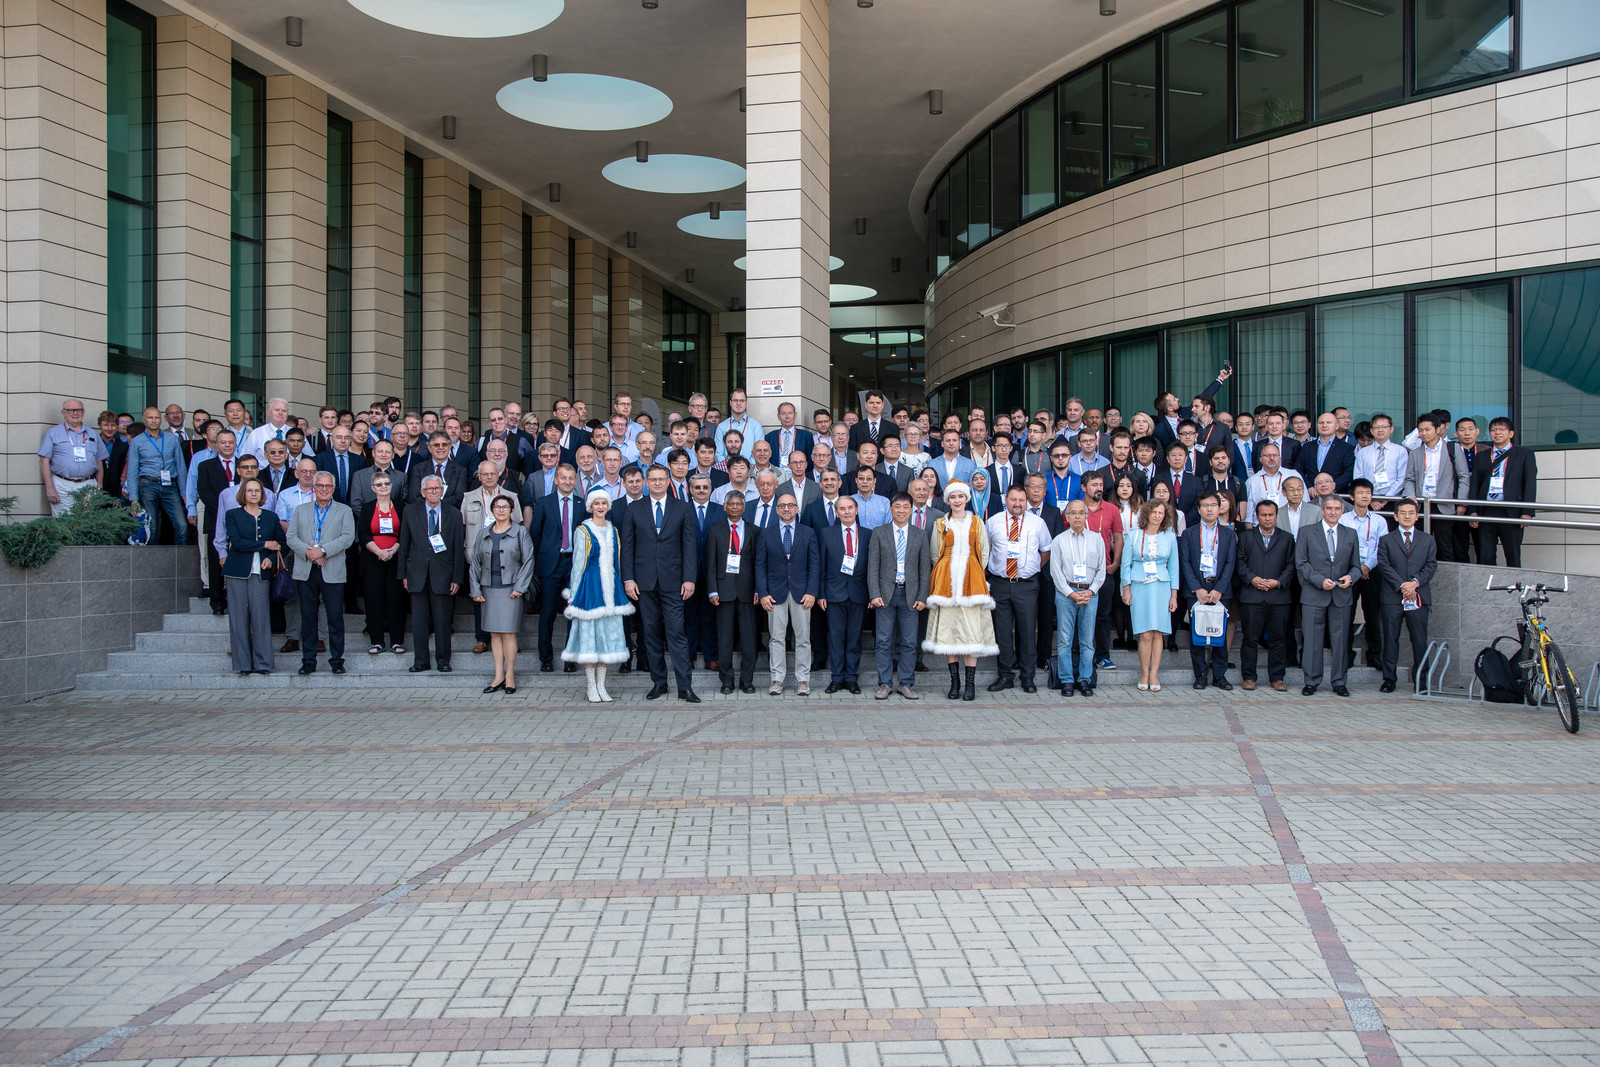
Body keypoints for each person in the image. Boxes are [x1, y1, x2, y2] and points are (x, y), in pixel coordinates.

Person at [620, 466, 701, 703]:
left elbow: (689, 545)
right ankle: (659, 683)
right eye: (653, 479)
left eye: (661, 479)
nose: (657, 483)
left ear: (668, 481)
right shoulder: (634, 508)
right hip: (643, 581)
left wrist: (689, 578)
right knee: (650, 633)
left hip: (674, 580)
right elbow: (627, 546)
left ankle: (685, 687)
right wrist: (628, 578)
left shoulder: (681, 507)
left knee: (676, 633)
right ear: (646, 482)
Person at [923, 480, 998, 701]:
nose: (957, 500)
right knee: (950, 633)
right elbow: (935, 553)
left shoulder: (976, 522)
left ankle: (970, 684)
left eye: (960, 496)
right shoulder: (940, 523)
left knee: (970, 632)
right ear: (948, 500)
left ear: (966, 499)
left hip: (971, 583)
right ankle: (954, 683)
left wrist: (974, 571)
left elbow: (983, 551)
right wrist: (945, 571)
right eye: (953, 497)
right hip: (946, 584)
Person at [983, 484, 1050, 693]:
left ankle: (1028, 677)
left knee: (1028, 631)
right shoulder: (993, 522)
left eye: (1021, 500)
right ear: (1006, 500)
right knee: (1002, 632)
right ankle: (1005, 676)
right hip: (1000, 584)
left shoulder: (1037, 523)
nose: (1017, 504)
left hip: (1027, 585)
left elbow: (1046, 550)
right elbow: (985, 551)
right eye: (1013, 500)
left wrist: (1030, 570)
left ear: (1026, 501)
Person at [286, 472, 355, 676]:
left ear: (333, 489)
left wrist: (322, 551)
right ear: (314, 487)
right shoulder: (301, 510)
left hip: (332, 570)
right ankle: (308, 661)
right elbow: (291, 536)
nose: (324, 489)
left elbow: (347, 538)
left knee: (334, 618)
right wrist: (310, 553)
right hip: (306, 570)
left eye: (328, 486)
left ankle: (337, 660)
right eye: (320, 485)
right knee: (308, 617)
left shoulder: (344, 510)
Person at [1295, 494, 1363, 697]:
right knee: (1312, 640)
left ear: (1342, 511)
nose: (1333, 512)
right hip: (1314, 593)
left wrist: (1351, 577)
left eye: (1337, 509)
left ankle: (1339, 682)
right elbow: (1301, 563)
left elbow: (1356, 566)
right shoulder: (1306, 532)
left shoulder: (1351, 533)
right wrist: (1319, 580)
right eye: (1329, 508)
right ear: (1322, 510)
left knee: (1340, 641)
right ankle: (1311, 681)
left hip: (1341, 595)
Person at [865, 492, 929, 700]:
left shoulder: (920, 534)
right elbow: (873, 566)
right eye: (897, 507)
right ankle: (885, 683)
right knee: (883, 641)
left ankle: (906, 683)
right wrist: (874, 593)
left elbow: (924, 569)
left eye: (905, 507)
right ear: (891, 509)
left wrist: (922, 596)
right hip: (885, 595)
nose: (901, 511)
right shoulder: (879, 532)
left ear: (911, 510)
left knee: (909, 642)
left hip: (910, 595)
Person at [469, 494, 535, 695]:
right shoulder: (483, 533)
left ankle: (510, 676)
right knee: (494, 633)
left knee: (508, 632)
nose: (501, 510)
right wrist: (475, 589)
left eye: (505, 507)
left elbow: (528, 560)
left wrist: (520, 587)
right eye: (497, 507)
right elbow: (475, 563)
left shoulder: (520, 532)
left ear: (512, 510)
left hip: (511, 589)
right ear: (492, 510)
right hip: (489, 588)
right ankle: (498, 676)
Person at [400, 474, 466, 673]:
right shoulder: (410, 511)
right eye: (430, 489)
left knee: (442, 621)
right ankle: (421, 661)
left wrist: (457, 577)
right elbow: (404, 544)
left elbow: (458, 548)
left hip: (443, 574)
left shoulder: (454, 514)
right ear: (423, 492)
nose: (434, 492)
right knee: (419, 622)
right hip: (416, 574)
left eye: (438, 488)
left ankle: (443, 661)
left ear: (442, 491)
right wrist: (403, 574)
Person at [756, 490, 820, 696]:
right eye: (782, 506)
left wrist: (812, 592)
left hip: (802, 594)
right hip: (775, 594)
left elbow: (814, 565)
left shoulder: (808, 533)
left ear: (797, 509)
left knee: (803, 638)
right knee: (776, 638)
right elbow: (760, 565)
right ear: (776, 509)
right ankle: (777, 679)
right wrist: (763, 593)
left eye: (790, 505)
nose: (786, 509)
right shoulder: (766, 533)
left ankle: (803, 680)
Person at [1374, 499, 1437, 694]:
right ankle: (1389, 679)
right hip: (1392, 597)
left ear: (1417, 516)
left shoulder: (1428, 539)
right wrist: (1403, 586)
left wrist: (1415, 583)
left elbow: (1431, 565)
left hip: (1418, 596)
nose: (1407, 516)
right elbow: (1384, 565)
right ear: (1395, 516)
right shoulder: (1386, 540)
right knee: (1390, 639)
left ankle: (1421, 682)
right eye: (1403, 513)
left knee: (1419, 640)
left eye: (1411, 513)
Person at [221, 477, 280, 675]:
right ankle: (243, 664)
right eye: (250, 490)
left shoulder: (271, 517)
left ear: (262, 494)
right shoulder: (233, 515)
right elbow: (237, 542)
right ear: (243, 494)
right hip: (237, 572)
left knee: (261, 618)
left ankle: (263, 663)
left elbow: (280, 544)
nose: (254, 494)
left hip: (260, 573)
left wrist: (271, 558)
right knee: (239, 619)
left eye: (257, 490)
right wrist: (264, 545)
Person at [1178, 492, 1237, 691]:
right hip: (1197, 589)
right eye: (1205, 505)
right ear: (1198, 509)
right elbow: (1185, 562)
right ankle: (1201, 675)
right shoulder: (1189, 533)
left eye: (1213, 505)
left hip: (1220, 589)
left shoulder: (1228, 534)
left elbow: (1230, 563)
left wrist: (1219, 589)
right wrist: (1197, 588)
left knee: (1219, 633)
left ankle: (1220, 676)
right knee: (1197, 634)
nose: (1209, 509)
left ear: (1220, 508)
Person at [529, 463, 583, 672]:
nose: (567, 481)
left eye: (571, 478)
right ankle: (546, 658)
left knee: (572, 612)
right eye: (563, 477)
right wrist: (539, 561)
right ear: (556, 479)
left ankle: (570, 658)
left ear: (575, 480)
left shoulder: (581, 504)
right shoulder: (544, 503)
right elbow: (535, 534)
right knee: (548, 612)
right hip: (550, 564)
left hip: (574, 565)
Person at [1121, 499, 1180, 692]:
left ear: (1165, 516)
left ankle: (1154, 674)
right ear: (1146, 513)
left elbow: (1174, 567)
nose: (1157, 515)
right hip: (1139, 586)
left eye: (1160, 512)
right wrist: (1126, 589)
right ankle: (1144, 674)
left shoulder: (1169, 537)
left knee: (1158, 633)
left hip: (1162, 586)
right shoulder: (1134, 535)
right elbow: (1125, 564)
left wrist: (1174, 595)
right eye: (1154, 512)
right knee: (1145, 633)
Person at [1236, 500, 1295, 691]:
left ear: (1276, 516)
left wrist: (1278, 582)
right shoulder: (1246, 536)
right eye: (1263, 515)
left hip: (1278, 596)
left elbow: (1291, 565)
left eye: (1271, 515)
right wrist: (1252, 579)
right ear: (1257, 516)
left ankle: (1277, 678)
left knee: (1278, 639)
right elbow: (1239, 563)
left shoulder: (1287, 538)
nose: (1267, 518)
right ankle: (1249, 677)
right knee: (1250, 639)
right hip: (1252, 595)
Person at [1050, 499, 1106, 698]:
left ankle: (1084, 679)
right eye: (1073, 513)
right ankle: (1066, 680)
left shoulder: (1097, 539)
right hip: (1066, 594)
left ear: (1086, 516)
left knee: (1087, 641)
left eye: (1081, 513)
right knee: (1065, 640)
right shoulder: (1059, 541)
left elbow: (1101, 570)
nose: (1077, 516)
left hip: (1090, 594)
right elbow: (1055, 572)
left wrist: (1091, 591)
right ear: (1067, 516)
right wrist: (1070, 593)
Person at [705, 491, 758, 694]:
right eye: (731, 504)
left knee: (749, 640)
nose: (735, 507)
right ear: (725, 507)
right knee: (725, 639)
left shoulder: (754, 530)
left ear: (744, 507)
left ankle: (747, 680)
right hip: (723, 591)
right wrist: (712, 590)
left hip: (748, 592)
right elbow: (710, 563)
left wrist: (758, 590)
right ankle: (726, 681)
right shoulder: (715, 530)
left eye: (738, 504)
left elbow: (758, 563)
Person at [818, 495, 871, 694]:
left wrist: (871, 594)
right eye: (842, 509)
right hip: (833, 594)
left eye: (850, 508)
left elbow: (872, 567)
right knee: (836, 638)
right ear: (836, 513)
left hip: (859, 593)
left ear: (856, 510)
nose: (847, 512)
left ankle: (851, 678)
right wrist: (821, 594)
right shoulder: (826, 533)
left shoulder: (868, 534)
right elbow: (821, 565)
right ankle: (837, 678)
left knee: (854, 638)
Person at [1468, 417, 1537, 568]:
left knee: (1512, 554)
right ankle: (1487, 581)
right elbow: (1475, 485)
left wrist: (1527, 512)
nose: (1497, 432)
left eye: (1501, 429)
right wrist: (1472, 510)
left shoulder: (1525, 454)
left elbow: (1530, 484)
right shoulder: (1482, 456)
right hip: (1486, 510)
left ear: (1511, 433)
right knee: (1485, 555)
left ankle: (1514, 581)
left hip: (1511, 510)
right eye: (1493, 430)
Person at [1401, 412, 1470, 562]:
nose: (1423, 433)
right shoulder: (1415, 453)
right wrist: (1411, 497)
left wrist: (1461, 502)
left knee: (1444, 546)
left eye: (1427, 429)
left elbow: (1464, 476)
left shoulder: (1452, 448)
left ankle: (1446, 577)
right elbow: (1409, 479)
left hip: (1444, 504)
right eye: (1420, 430)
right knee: (1418, 546)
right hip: (1420, 504)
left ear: (1438, 429)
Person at [355, 470, 407, 656]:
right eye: (379, 484)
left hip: (395, 558)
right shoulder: (367, 508)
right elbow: (362, 534)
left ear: (391, 486)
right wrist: (378, 551)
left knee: (397, 600)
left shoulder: (401, 507)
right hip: (373, 559)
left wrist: (392, 551)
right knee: (373, 600)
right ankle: (377, 641)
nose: (383, 487)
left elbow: (406, 533)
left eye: (386, 483)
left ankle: (396, 641)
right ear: (373, 488)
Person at [124, 406, 189, 544]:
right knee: (151, 527)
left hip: (170, 485)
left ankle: (182, 557)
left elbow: (181, 467)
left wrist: (184, 492)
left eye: (157, 417)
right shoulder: (136, 441)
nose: (154, 420)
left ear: (161, 419)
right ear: (144, 419)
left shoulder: (172, 439)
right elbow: (132, 471)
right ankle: (153, 557)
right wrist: (133, 498)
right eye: (150, 417)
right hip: (148, 485)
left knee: (182, 525)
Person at [38, 398, 107, 516]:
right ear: (63, 412)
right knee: (64, 522)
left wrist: (99, 487)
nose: (75, 413)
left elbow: (99, 461)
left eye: (79, 410)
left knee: (87, 521)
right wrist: (49, 488)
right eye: (71, 410)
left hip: (88, 484)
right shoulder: (53, 433)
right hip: (62, 485)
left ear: (83, 412)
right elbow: (44, 461)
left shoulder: (93, 434)